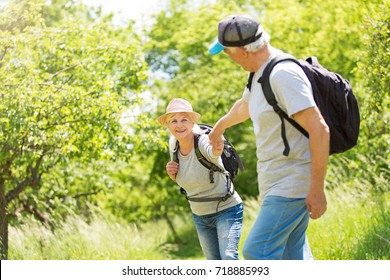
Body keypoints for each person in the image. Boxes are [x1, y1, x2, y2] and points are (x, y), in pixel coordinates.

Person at [208, 14, 329, 260]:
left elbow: (319, 129)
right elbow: (245, 106)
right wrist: (218, 128)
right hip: (276, 183)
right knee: (292, 256)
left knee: (257, 251)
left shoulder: (282, 74)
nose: (228, 58)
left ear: (243, 50)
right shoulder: (259, 73)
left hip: (292, 183)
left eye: (227, 52)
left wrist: (317, 189)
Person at [158, 98, 244, 260]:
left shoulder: (203, 139)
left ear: (192, 123)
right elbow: (191, 179)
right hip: (200, 215)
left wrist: (217, 150)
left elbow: (212, 153)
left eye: (184, 120)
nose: (179, 125)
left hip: (227, 209)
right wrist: (173, 176)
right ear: (168, 125)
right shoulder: (173, 144)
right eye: (173, 121)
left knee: (228, 259)